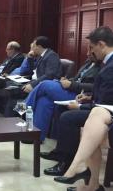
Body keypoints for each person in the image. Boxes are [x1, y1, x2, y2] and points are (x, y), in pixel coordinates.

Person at [53, 26, 113, 191]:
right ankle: (91, 183)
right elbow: (104, 94)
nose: (91, 52)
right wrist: (89, 98)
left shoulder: (111, 64)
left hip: (105, 110)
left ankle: (74, 164)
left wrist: (81, 105)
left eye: (92, 48)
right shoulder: (107, 62)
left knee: (71, 117)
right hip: (103, 109)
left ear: (101, 44)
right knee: (90, 124)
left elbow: (107, 101)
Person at [24, 46, 100, 141]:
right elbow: (78, 79)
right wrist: (68, 80)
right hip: (70, 89)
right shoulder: (88, 63)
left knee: (44, 84)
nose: (87, 53)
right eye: (88, 50)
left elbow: (96, 87)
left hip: (80, 95)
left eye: (90, 51)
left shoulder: (103, 67)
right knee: (45, 101)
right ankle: (36, 137)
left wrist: (71, 84)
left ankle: (24, 107)